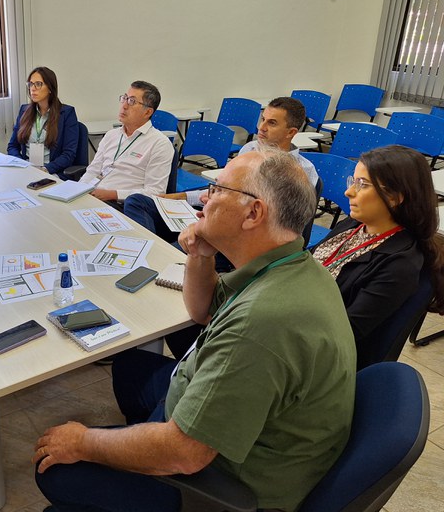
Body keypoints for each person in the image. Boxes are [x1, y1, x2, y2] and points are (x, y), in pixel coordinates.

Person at [34, 151, 356, 512]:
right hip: (207, 406)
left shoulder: (262, 324)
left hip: (228, 481)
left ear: (254, 213)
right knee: (130, 368)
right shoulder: (286, 265)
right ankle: (143, 445)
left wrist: (83, 442)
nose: (204, 197)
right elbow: (201, 311)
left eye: (217, 189)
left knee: (56, 473)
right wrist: (200, 254)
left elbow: (186, 454)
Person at [312, 144, 444, 369]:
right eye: (352, 181)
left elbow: (344, 333)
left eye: (362, 185)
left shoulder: (399, 264)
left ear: (395, 197)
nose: (349, 192)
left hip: (322, 356)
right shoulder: (355, 224)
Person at [124, 96, 318, 243]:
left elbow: (277, 226)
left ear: (291, 132)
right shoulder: (249, 149)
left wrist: (218, 212)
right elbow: (222, 188)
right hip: (214, 213)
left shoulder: (301, 172)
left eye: (272, 123)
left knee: (182, 249)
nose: (261, 127)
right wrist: (182, 197)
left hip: (237, 234)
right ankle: (147, 250)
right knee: (138, 202)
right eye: (263, 119)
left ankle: (154, 255)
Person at [79, 81, 174, 204]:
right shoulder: (111, 135)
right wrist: (78, 190)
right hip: (93, 196)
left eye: (132, 101)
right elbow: (93, 170)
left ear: (148, 112)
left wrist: (113, 195)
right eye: (124, 98)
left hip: (122, 205)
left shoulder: (159, 144)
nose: (124, 105)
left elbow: (155, 192)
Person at [7, 66, 80, 175]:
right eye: (31, 84)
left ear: (50, 88)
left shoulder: (67, 114)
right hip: (26, 170)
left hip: (51, 172)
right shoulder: (24, 111)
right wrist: (21, 164)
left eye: (38, 84)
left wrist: (46, 169)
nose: (33, 88)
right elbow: (12, 146)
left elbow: (68, 154)